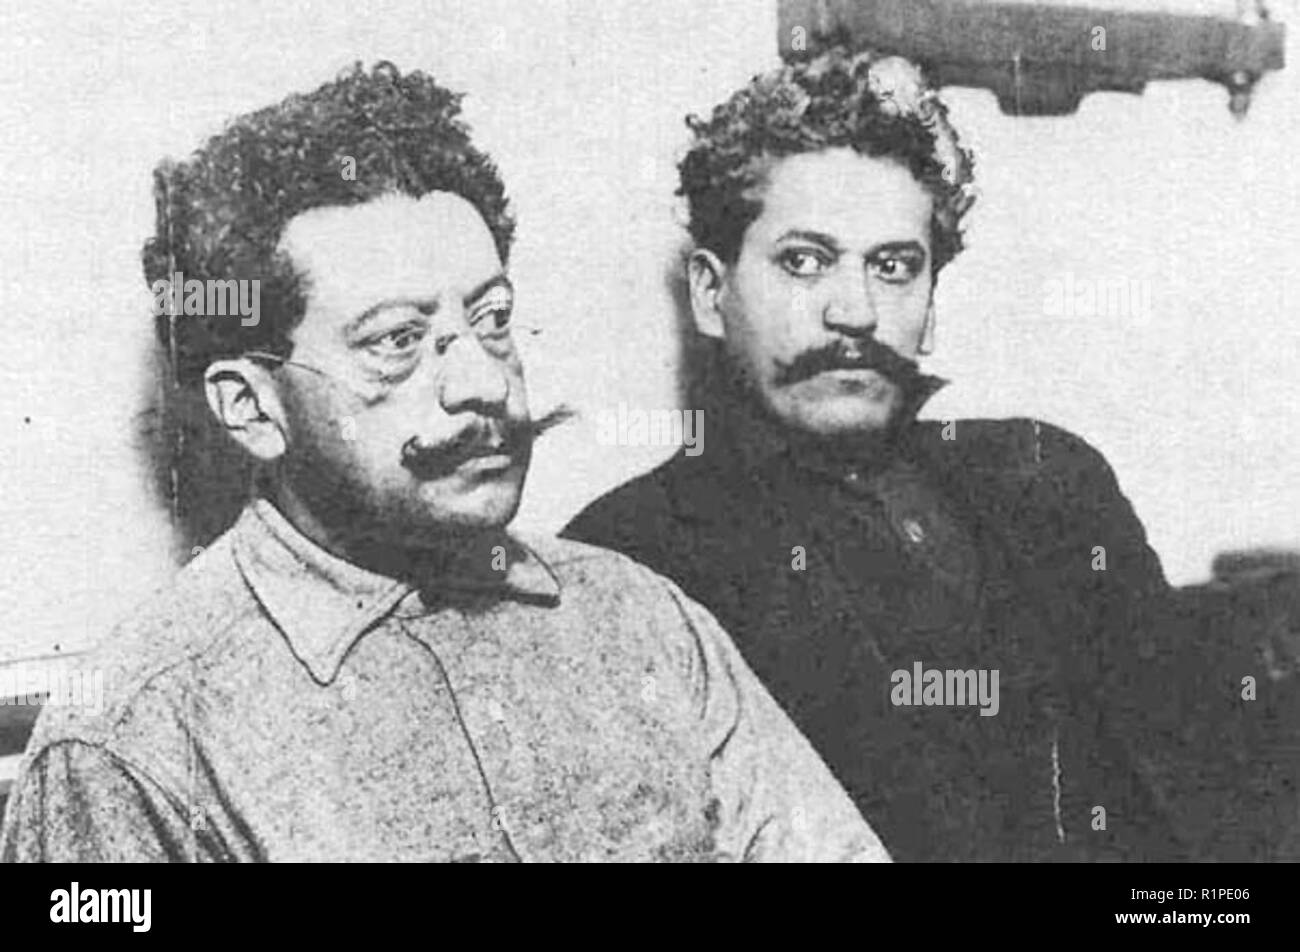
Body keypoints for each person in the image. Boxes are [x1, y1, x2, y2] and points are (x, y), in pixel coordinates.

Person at [0, 63, 886, 863]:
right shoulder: (137, 743)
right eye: (396, 341)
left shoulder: (642, 621)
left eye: (492, 319)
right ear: (253, 407)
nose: (479, 383)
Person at [565, 47, 1180, 862]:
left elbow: (1207, 791)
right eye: (804, 261)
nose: (854, 310)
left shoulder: (1049, 479)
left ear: (929, 304)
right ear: (712, 293)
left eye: (894, 267)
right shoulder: (628, 561)